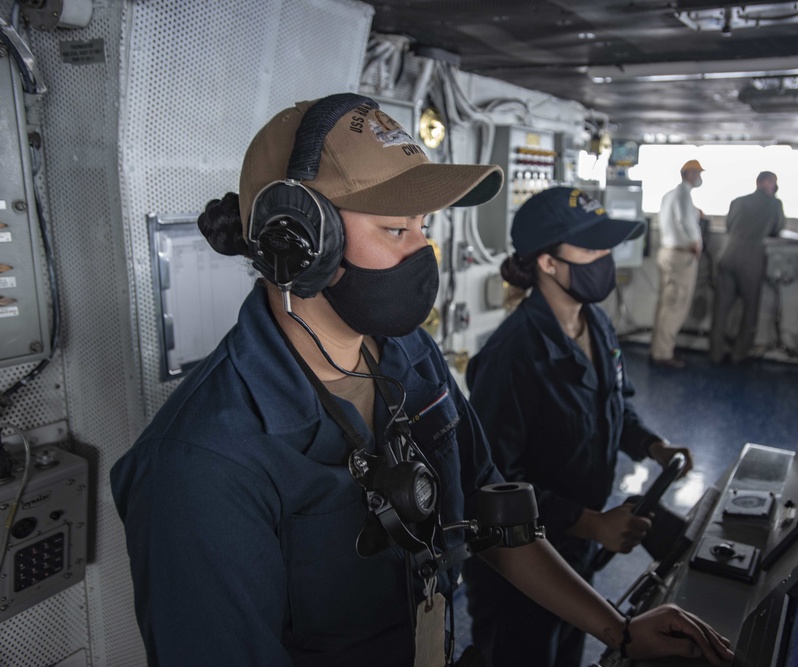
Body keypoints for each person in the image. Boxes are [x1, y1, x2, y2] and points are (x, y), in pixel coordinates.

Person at [109, 95, 733, 667]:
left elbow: (494, 515)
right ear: (299, 243)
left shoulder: (409, 354)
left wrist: (618, 629)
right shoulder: (201, 465)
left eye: (424, 229)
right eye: (396, 230)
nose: (423, 255)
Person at [463, 186, 700, 667]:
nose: (604, 258)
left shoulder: (596, 323)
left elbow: (613, 405)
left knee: (569, 651)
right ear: (547, 263)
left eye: (606, 247)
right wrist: (592, 522)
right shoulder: (513, 356)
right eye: (590, 249)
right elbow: (489, 487)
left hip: (579, 549)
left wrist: (652, 446)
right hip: (524, 565)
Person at [709, 170, 786, 364]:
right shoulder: (775, 204)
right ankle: (739, 355)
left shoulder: (738, 201)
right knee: (750, 310)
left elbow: (729, 226)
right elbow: (777, 229)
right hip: (752, 259)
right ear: (769, 183)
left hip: (728, 254)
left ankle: (715, 353)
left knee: (720, 310)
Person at [650, 159, 706, 368]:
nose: (700, 177)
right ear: (689, 173)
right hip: (681, 257)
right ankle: (663, 354)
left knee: (666, 304)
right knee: (675, 306)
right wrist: (695, 243)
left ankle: (658, 348)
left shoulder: (670, 195)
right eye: (698, 173)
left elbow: (678, 216)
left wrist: (695, 212)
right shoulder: (683, 194)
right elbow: (683, 220)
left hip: (667, 253)